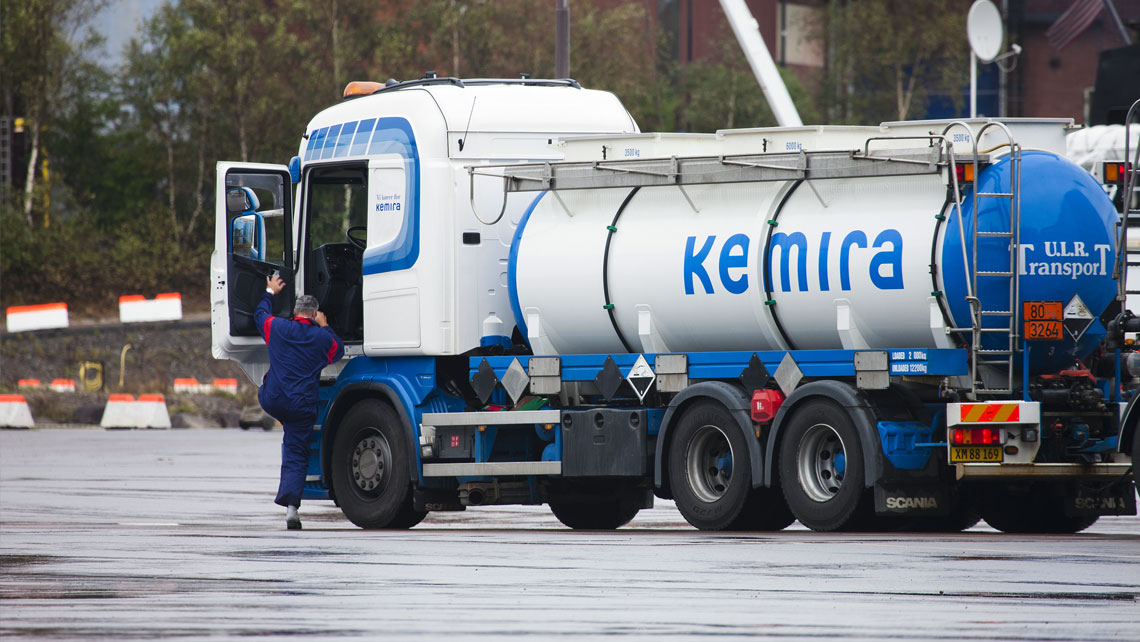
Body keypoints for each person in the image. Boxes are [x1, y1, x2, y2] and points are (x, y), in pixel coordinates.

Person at [256, 273, 344, 530]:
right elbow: (338, 350)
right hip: (302, 406)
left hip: (273, 399)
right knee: (296, 453)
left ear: (295, 311)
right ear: (315, 314)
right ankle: (292, 511)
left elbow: (259, 314)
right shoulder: (322, 339)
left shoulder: (277, 327)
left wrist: (270, 291)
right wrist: (325, 325)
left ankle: (278, 410)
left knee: (267, 385)